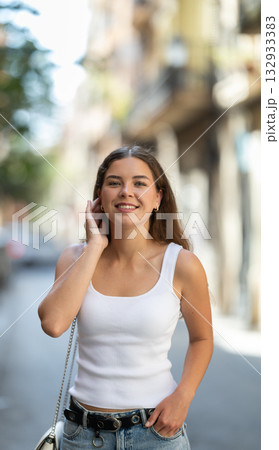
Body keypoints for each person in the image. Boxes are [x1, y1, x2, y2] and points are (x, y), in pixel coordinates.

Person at [38, 145, 213, 449]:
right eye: (114, 182)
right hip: (82, 435)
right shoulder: (74, 258)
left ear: (158, 198)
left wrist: (183, 396)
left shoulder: (182, 264)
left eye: (140, 183)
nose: (126, 192)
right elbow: (53, 324)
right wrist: (94, 246)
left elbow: (202, 339)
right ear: (99, 197)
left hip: (156, 433)